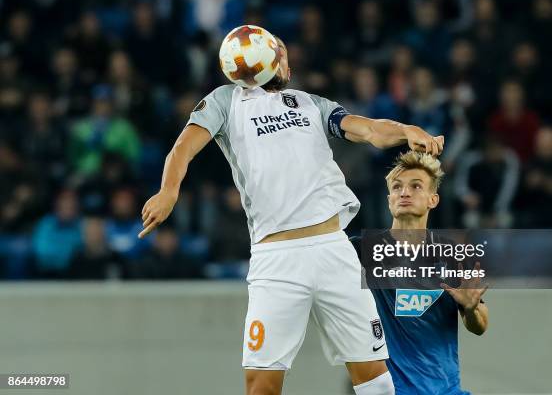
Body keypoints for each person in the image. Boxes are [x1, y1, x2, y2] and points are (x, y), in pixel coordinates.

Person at [138, 31, 444, 395]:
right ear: (269, 60)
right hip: (277, 260)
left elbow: (368, 130)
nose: (289, 64)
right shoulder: (224, 101)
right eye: (283, 56)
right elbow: (182, 149)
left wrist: (405, 130)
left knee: (375, 380)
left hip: (334, 250)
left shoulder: (309, 103)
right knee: (261, 385)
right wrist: (168, 191)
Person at [351, 151, 489, 395]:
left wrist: (471, 308)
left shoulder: (452, 255)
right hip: (392, 390)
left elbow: (480, 326)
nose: (404, 193)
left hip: (447, 389)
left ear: (432, 199)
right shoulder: (360, 250)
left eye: (416, 186)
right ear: (389, 198)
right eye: (397, 187)